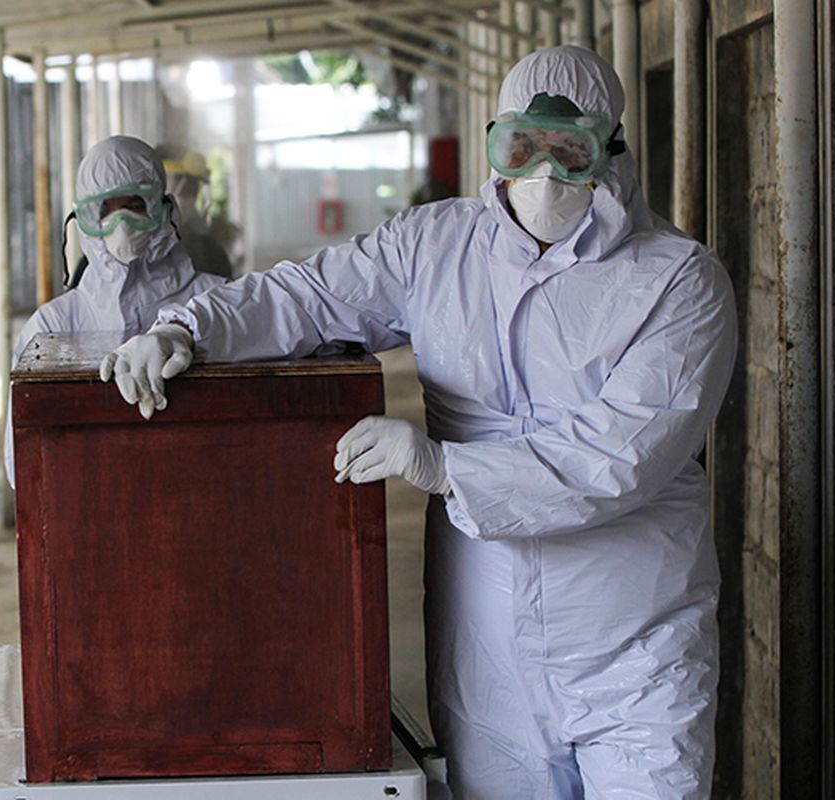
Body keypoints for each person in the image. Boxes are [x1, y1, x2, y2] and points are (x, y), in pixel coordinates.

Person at [104, 46, 736, 799]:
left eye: (571, 152)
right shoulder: (436, 245)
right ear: (493, 142)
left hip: (633, 641)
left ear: (612, 152)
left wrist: (445, 467)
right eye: (521, 146)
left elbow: (619, 458)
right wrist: (186, 329)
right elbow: (305, 296)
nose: (542, 174)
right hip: (487, 646)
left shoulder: (678, 281)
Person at [3, 135, 225, 487]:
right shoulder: (51, 327)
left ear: (163, 208)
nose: (121, 222)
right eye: (106, 209)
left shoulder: (218, 300)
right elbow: (24, 466)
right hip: (97, 504)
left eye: (135, 205)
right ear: (85, 219)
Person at [159, 146, 234, 279]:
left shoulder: (209, 249)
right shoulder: (141, 245)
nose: (185, 188)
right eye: (177, 178)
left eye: (193, 181)